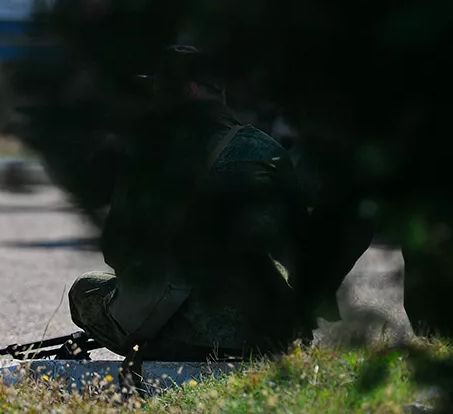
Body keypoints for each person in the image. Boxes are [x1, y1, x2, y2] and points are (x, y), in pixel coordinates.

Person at [67, 45, 326, 361]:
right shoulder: (265, 148)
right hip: (269, 332)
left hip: (181, 334)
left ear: (188, 90)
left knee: (85, 290)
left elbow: (117, 251)